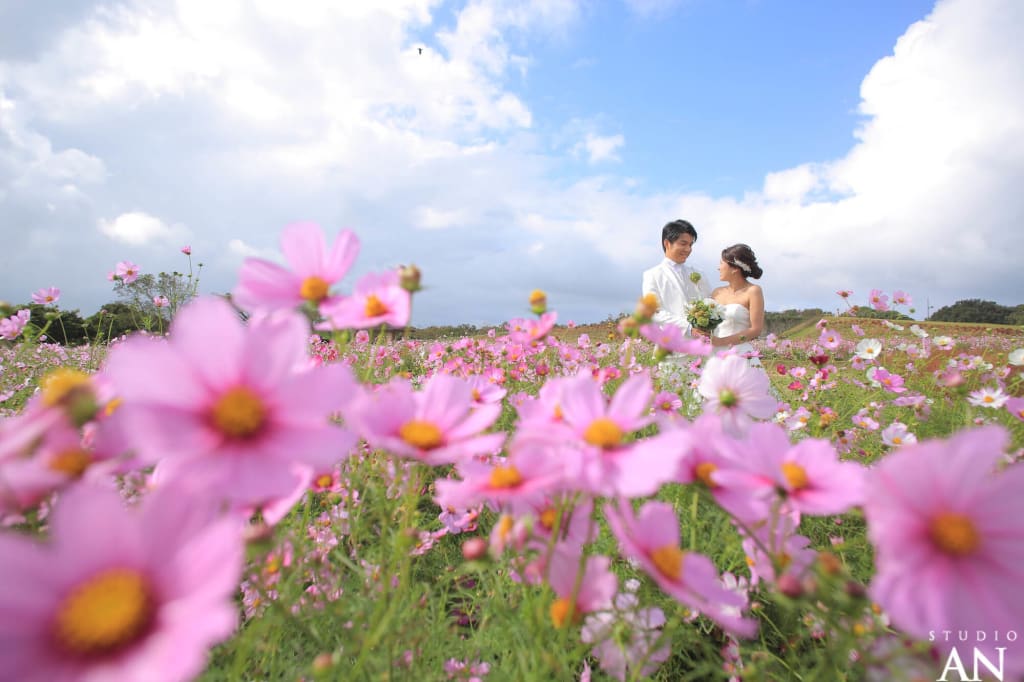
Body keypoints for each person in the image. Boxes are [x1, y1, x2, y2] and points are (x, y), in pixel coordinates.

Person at [641, 220, 712, 337]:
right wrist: (689, 328)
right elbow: (654, 312)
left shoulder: (699, 273)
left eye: (690, 245)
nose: (688, 249)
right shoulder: (652, 275)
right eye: (683, 244)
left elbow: (710, 302)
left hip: (702, 347)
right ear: (667, 243)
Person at [708, 243, 765, 366]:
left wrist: (721, 342)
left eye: (721, 263)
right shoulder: (716, 292)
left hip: (740, 354)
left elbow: (755, 329)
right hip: (714, 355)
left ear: (734, 268)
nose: (718, 268)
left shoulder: (753, 291)